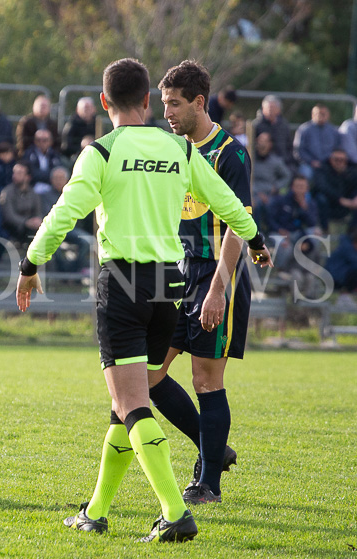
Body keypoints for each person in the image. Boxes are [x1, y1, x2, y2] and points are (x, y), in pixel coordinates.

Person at [16, 58, 271, 542]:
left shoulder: (101, 152)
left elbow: (64, 212)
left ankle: (175, 513)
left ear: (104, 102)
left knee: (133, 404)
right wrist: (256, 240)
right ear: (148, 101)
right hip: (168, 287)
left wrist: (31, 264)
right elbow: (228, 203)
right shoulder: (180, 148)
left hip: (123, 285)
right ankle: (95, 511)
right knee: (123, 405)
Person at [146, 60, 255, 507]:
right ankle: (215, 448)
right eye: (163, 103)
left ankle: (208, 483)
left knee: (205, 379)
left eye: (174, 103)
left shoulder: (230, 153)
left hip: (217, 275)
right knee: (149, 375)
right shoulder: (173, 151)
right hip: (179, 274)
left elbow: (238, 225)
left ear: (199, 102)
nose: (166, 112)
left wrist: (218, 289)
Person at [267, 174, 322, 272]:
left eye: (302, 187)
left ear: (307, 189)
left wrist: (304, 208)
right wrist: (279, 229)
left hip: (298, 233)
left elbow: (312, 223)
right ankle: (282, 271)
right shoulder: (281, 201)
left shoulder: (310, 204)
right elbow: (270, 220)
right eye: (297, 186)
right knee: (286, 247)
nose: (300, 190)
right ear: (292, 187)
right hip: (280, 233)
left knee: (315, 235)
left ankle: (307, 271)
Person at [251, 131, 291, 232]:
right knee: (256, 205)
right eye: (260, 140)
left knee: (273, 205)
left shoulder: (275, 161)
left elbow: (287, 176)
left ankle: (274, 232)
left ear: (270, 144)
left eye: (265, 141)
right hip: (253, 193)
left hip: (270, 194)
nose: (262, 144)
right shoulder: (250, 158)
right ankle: (257, 234)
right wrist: (256, 193)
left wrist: (276, 187)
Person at [312, 148, 357, 232]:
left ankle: (352, 232)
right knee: (321, 198)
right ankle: (324, 229)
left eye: (342, 160)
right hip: (330, 202)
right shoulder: (322, 168)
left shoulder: (352, 169)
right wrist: (340, 199)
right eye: (336, 159)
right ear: (330, 160)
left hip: (347, 203)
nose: (339, 162)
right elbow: (322, 187)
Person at [293, 104, 341, 180]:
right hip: (308, 164)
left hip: (328, 164)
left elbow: (337, 149)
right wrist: (311, 161)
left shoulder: (333, 131)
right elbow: (298, 150)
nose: (320, 116)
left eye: (323, 114)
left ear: (328, 115)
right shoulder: (304, 130)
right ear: (312, 115)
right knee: (305, 175)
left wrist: (331, 160)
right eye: (318, 114)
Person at [0, 161, 41, 244]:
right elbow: (9, 216)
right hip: (13, 229)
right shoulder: (7, 192)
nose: (14, 176)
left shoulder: (33, 193)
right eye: (14, 173)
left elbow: (38, 211)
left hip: (31, 227)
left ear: (28, 177)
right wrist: (26, 222)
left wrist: (37, 220)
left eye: (19, 173)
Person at [252, 95, 294, 168]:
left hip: (283, 161)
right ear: (263, 109)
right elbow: (251, 146)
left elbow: (289, 146)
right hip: (262, 162)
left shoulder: (284, 125)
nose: (270, 110)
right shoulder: (256, 125)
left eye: (272, 108)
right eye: (268, 108)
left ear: (278, 110)